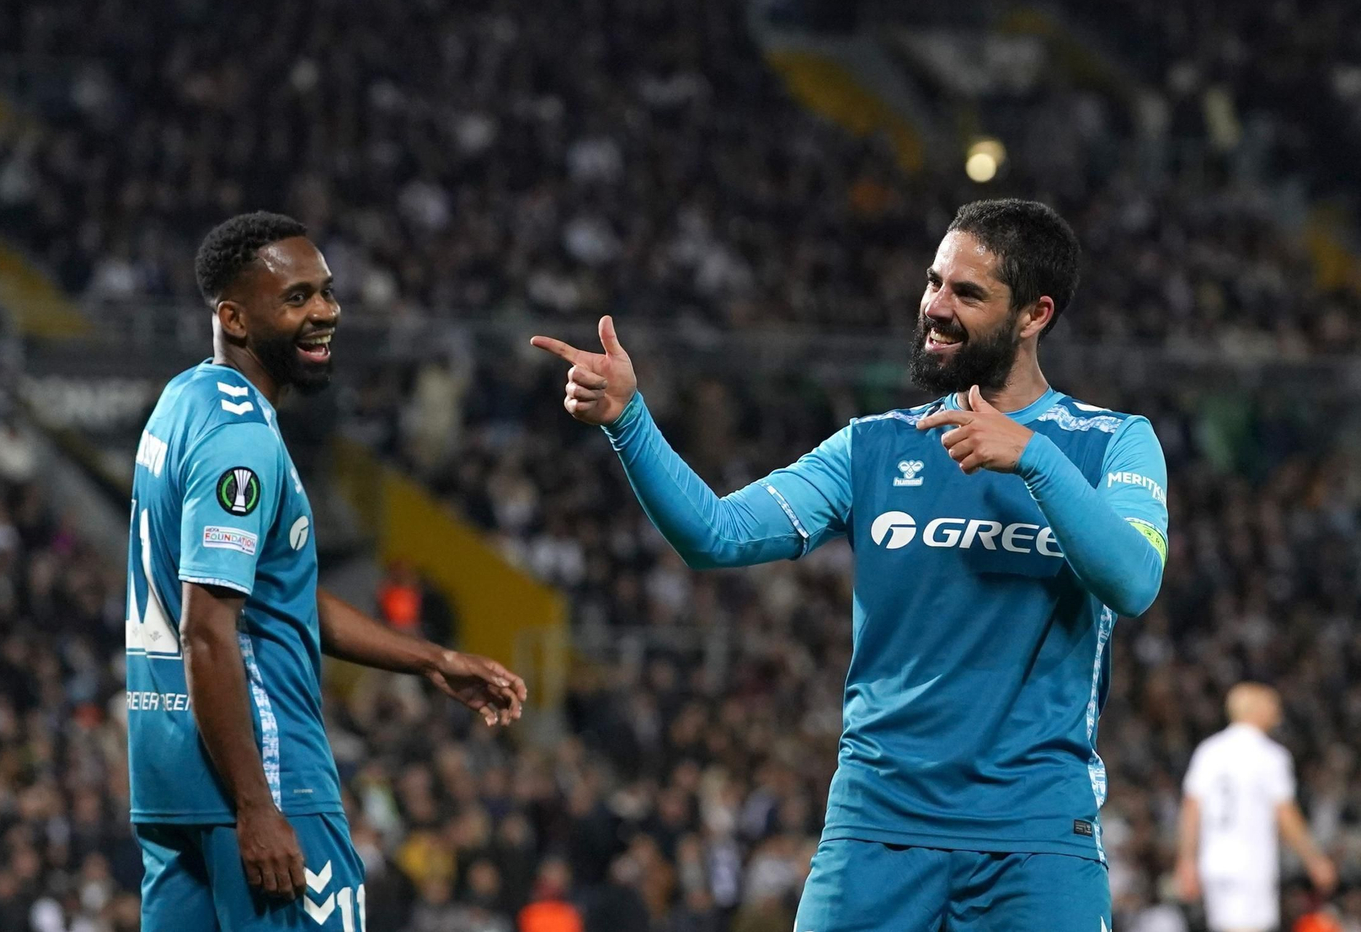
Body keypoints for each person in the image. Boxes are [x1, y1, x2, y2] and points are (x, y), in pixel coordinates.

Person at [533, 199, 1170, 931]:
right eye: (934, 281)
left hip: (1035, 841)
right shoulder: (873, 447)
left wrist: (1033, 458)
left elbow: (1134, 581)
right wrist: (628, 420)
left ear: (1035, 314)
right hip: (876, 831)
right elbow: (716, 533)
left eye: (967, 293)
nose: (935, 306)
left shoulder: (1112, 443)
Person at [127, 211, 528, 930]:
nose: (325, 313)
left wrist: (430, 660)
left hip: (171, 781)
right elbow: (209, 632)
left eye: (326, 292)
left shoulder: (183, 402)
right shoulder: (241, 440)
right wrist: (258, 805)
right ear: (235, 318)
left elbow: (275, 597)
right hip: (264, 774)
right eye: (297, 298)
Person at [1176, 683, 1338, 932]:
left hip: (1214, 861)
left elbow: (1191, 808)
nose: (1278, 713)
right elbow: (1285, 814)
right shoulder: (1270, 756)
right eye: (1273, 706)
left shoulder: (1209, 750)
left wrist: (1187, 860)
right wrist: (1314, 859)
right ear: (1255, 710)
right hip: (1250, 862)